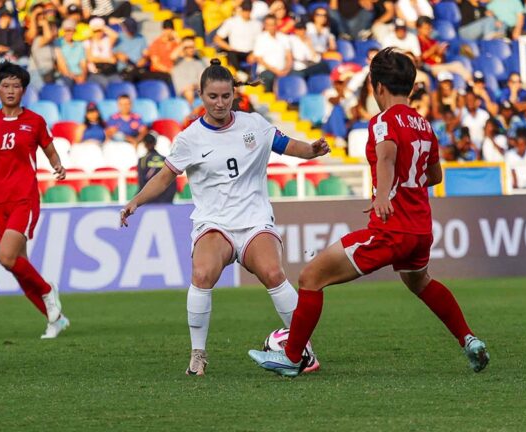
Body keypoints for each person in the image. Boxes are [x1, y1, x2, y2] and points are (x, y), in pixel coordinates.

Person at [248, 48, 490, 377]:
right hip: (420, 229)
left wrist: (384, 194)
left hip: (391, 228)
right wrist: (401, 185)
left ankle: (292, 357)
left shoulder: (383, 121)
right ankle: (469, 339)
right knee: (420, 282)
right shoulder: (424, 125)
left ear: (377, 87)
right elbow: (434, 177)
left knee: (310, 277)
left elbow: (387, 156)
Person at [120, 59, 331, 376]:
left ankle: (302, 350)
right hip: (214, 223)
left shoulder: (254, 125)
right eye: (212, 97)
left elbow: (287, 145)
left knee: (274, 273)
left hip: (255, 221)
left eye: (225, 96)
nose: (219, 103)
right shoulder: (190, 138)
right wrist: (136, 200)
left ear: (235, 95)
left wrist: (313, 150)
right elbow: (165, 177)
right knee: (202, 275)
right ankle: (198, 355)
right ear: (201, 96)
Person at [0, 62, 70, 339]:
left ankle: (47, 291)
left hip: (25, 198)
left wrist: (58, 166)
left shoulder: (34, 121)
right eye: (6, 86)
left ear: (24, 90)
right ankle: (54, 319)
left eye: (16, 86)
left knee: (5, 256)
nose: (10, 91)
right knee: (15, 264)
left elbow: (50, 150)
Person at [137, 133, 176, 203]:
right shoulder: (165, 159)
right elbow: (172, 182)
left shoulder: (142, 160)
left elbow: (141, 182)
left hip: (149, 199)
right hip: (165, 198)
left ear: (144, 144)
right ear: (155, 143)